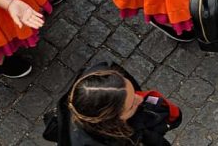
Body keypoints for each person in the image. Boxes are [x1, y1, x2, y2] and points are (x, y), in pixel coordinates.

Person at [43, 62, 182, 145]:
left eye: (133, 93)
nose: (140, 99)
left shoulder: (103, 80)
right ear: (112, 119)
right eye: (131, 105)